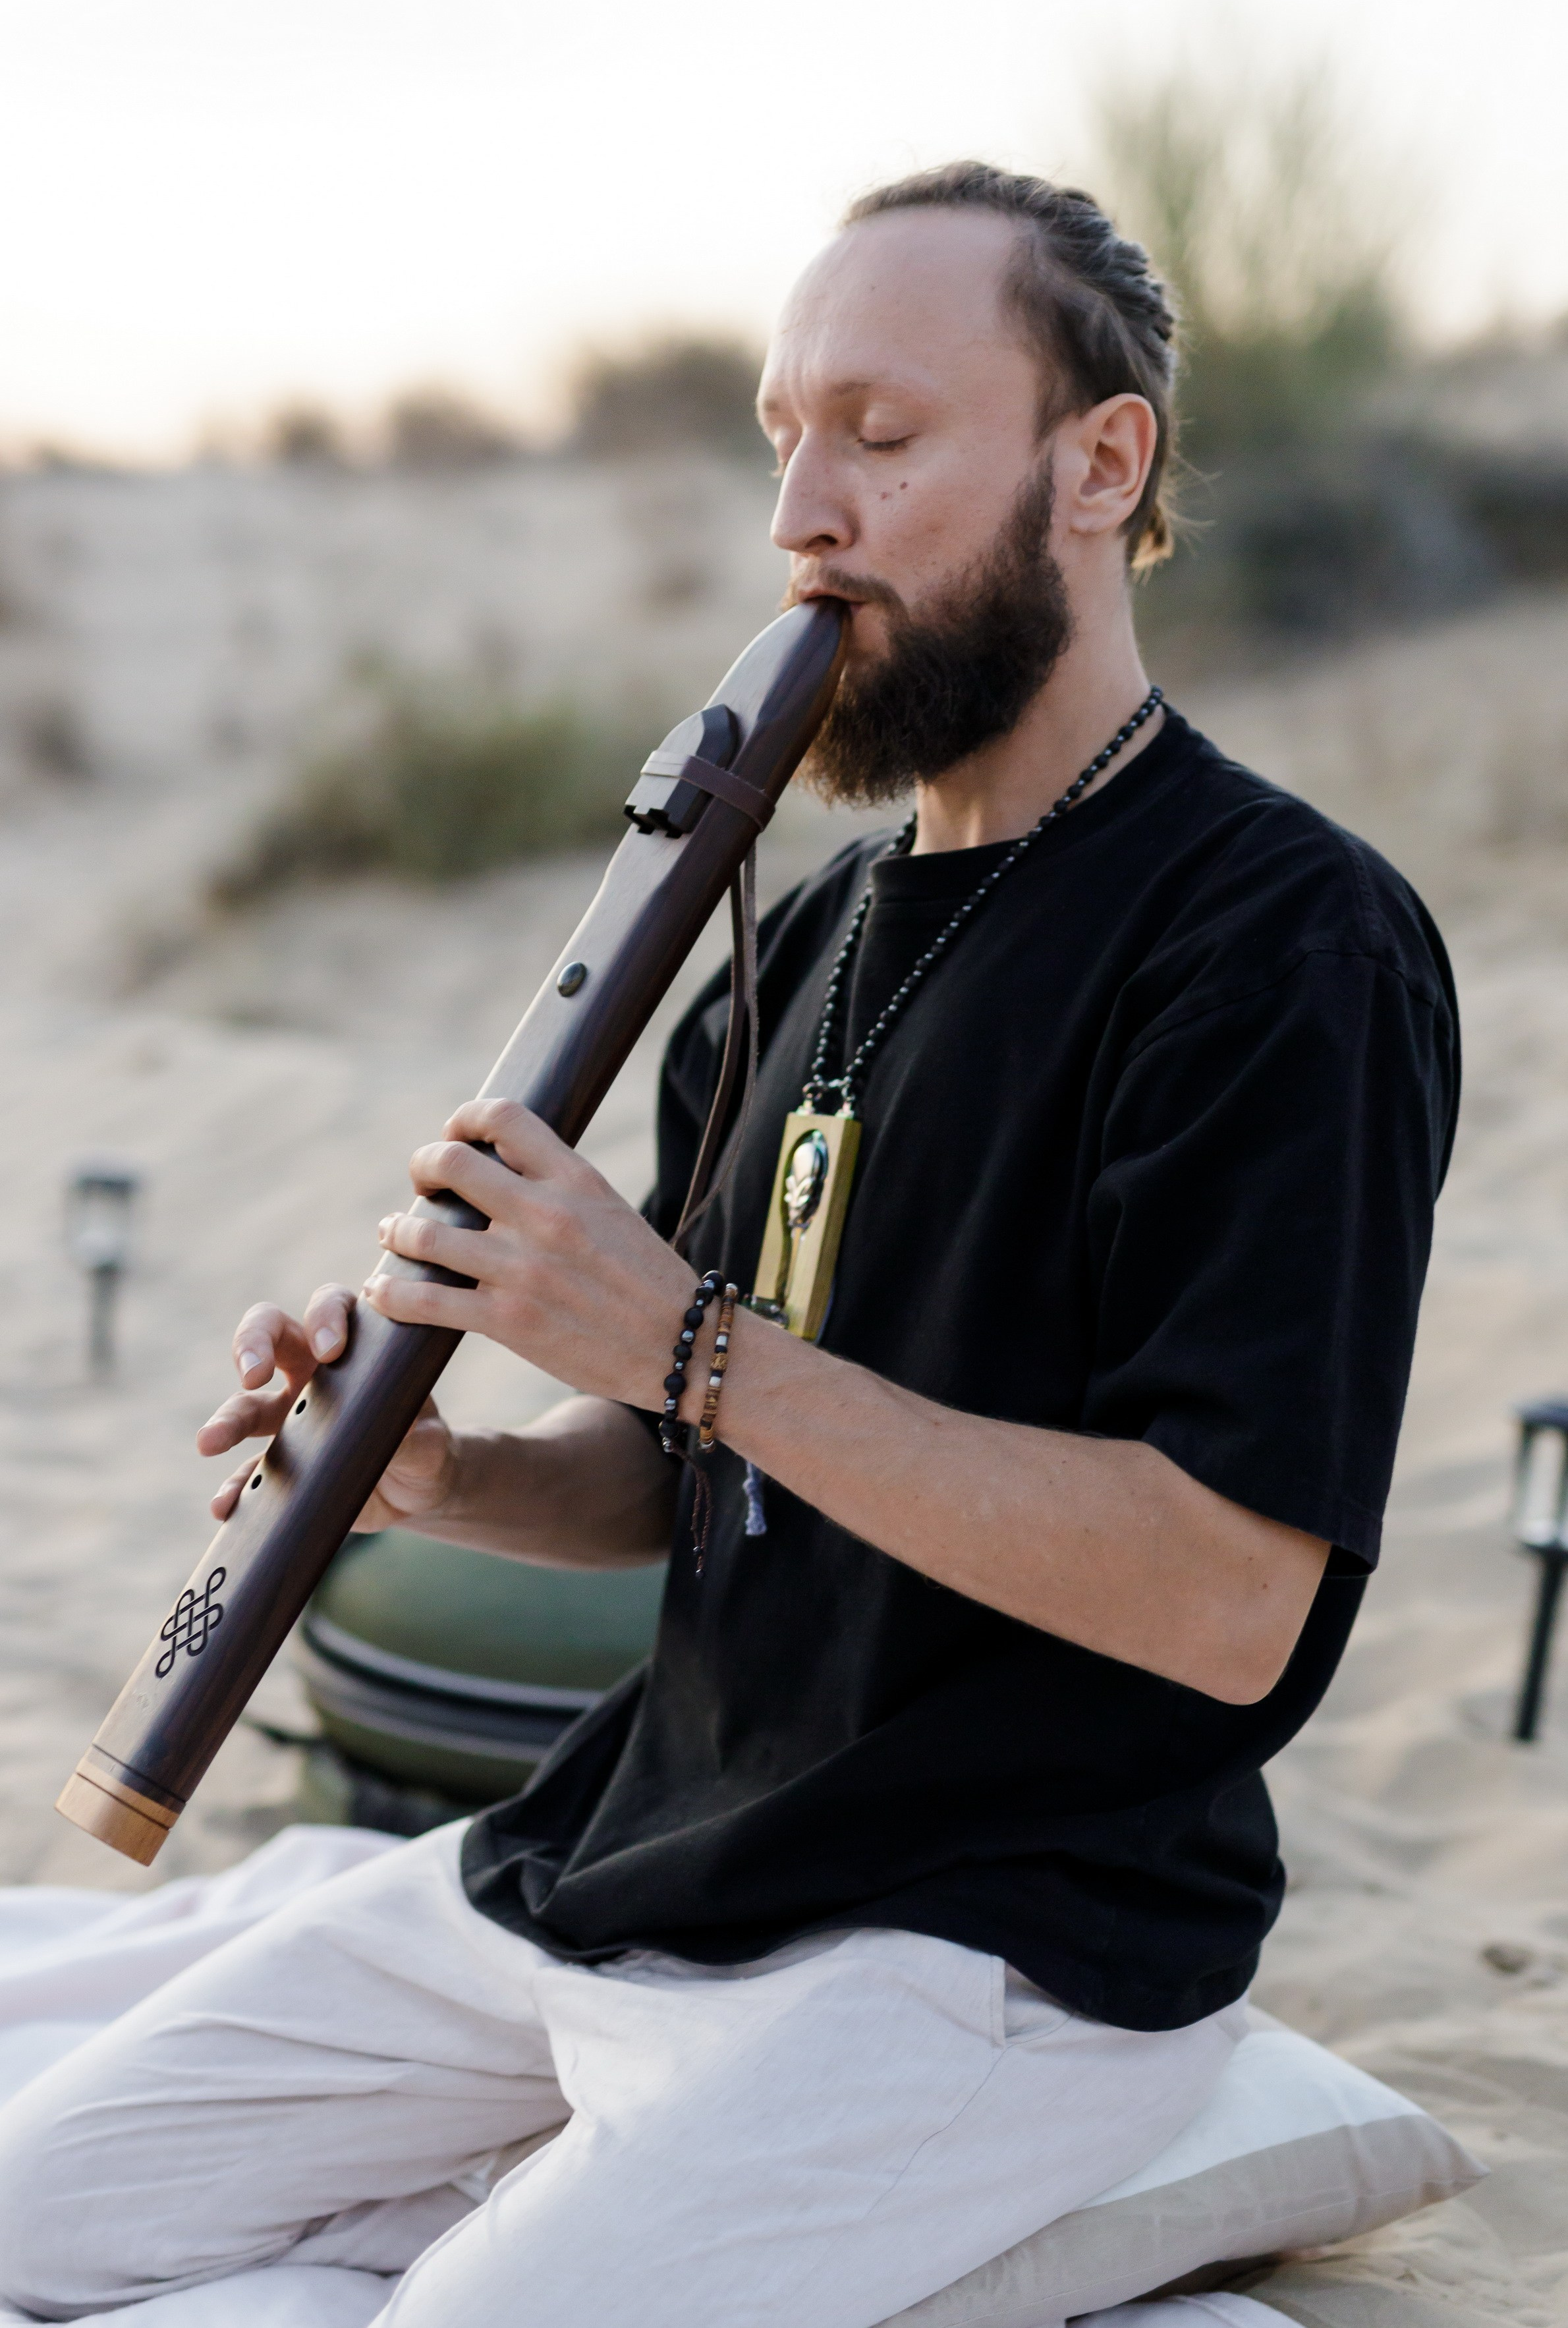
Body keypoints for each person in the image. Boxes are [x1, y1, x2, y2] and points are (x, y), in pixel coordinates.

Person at [0, 163, 1458, 2327]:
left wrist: (691, 1344)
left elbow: (1227, 1598)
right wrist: (444, 1472)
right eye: (783, 434)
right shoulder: (791, 935)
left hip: (989, 1941)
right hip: (631, 1844)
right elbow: (705, 1478)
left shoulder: (1275, 942)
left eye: (881, 435)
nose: (802, 511)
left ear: (1100, 462)